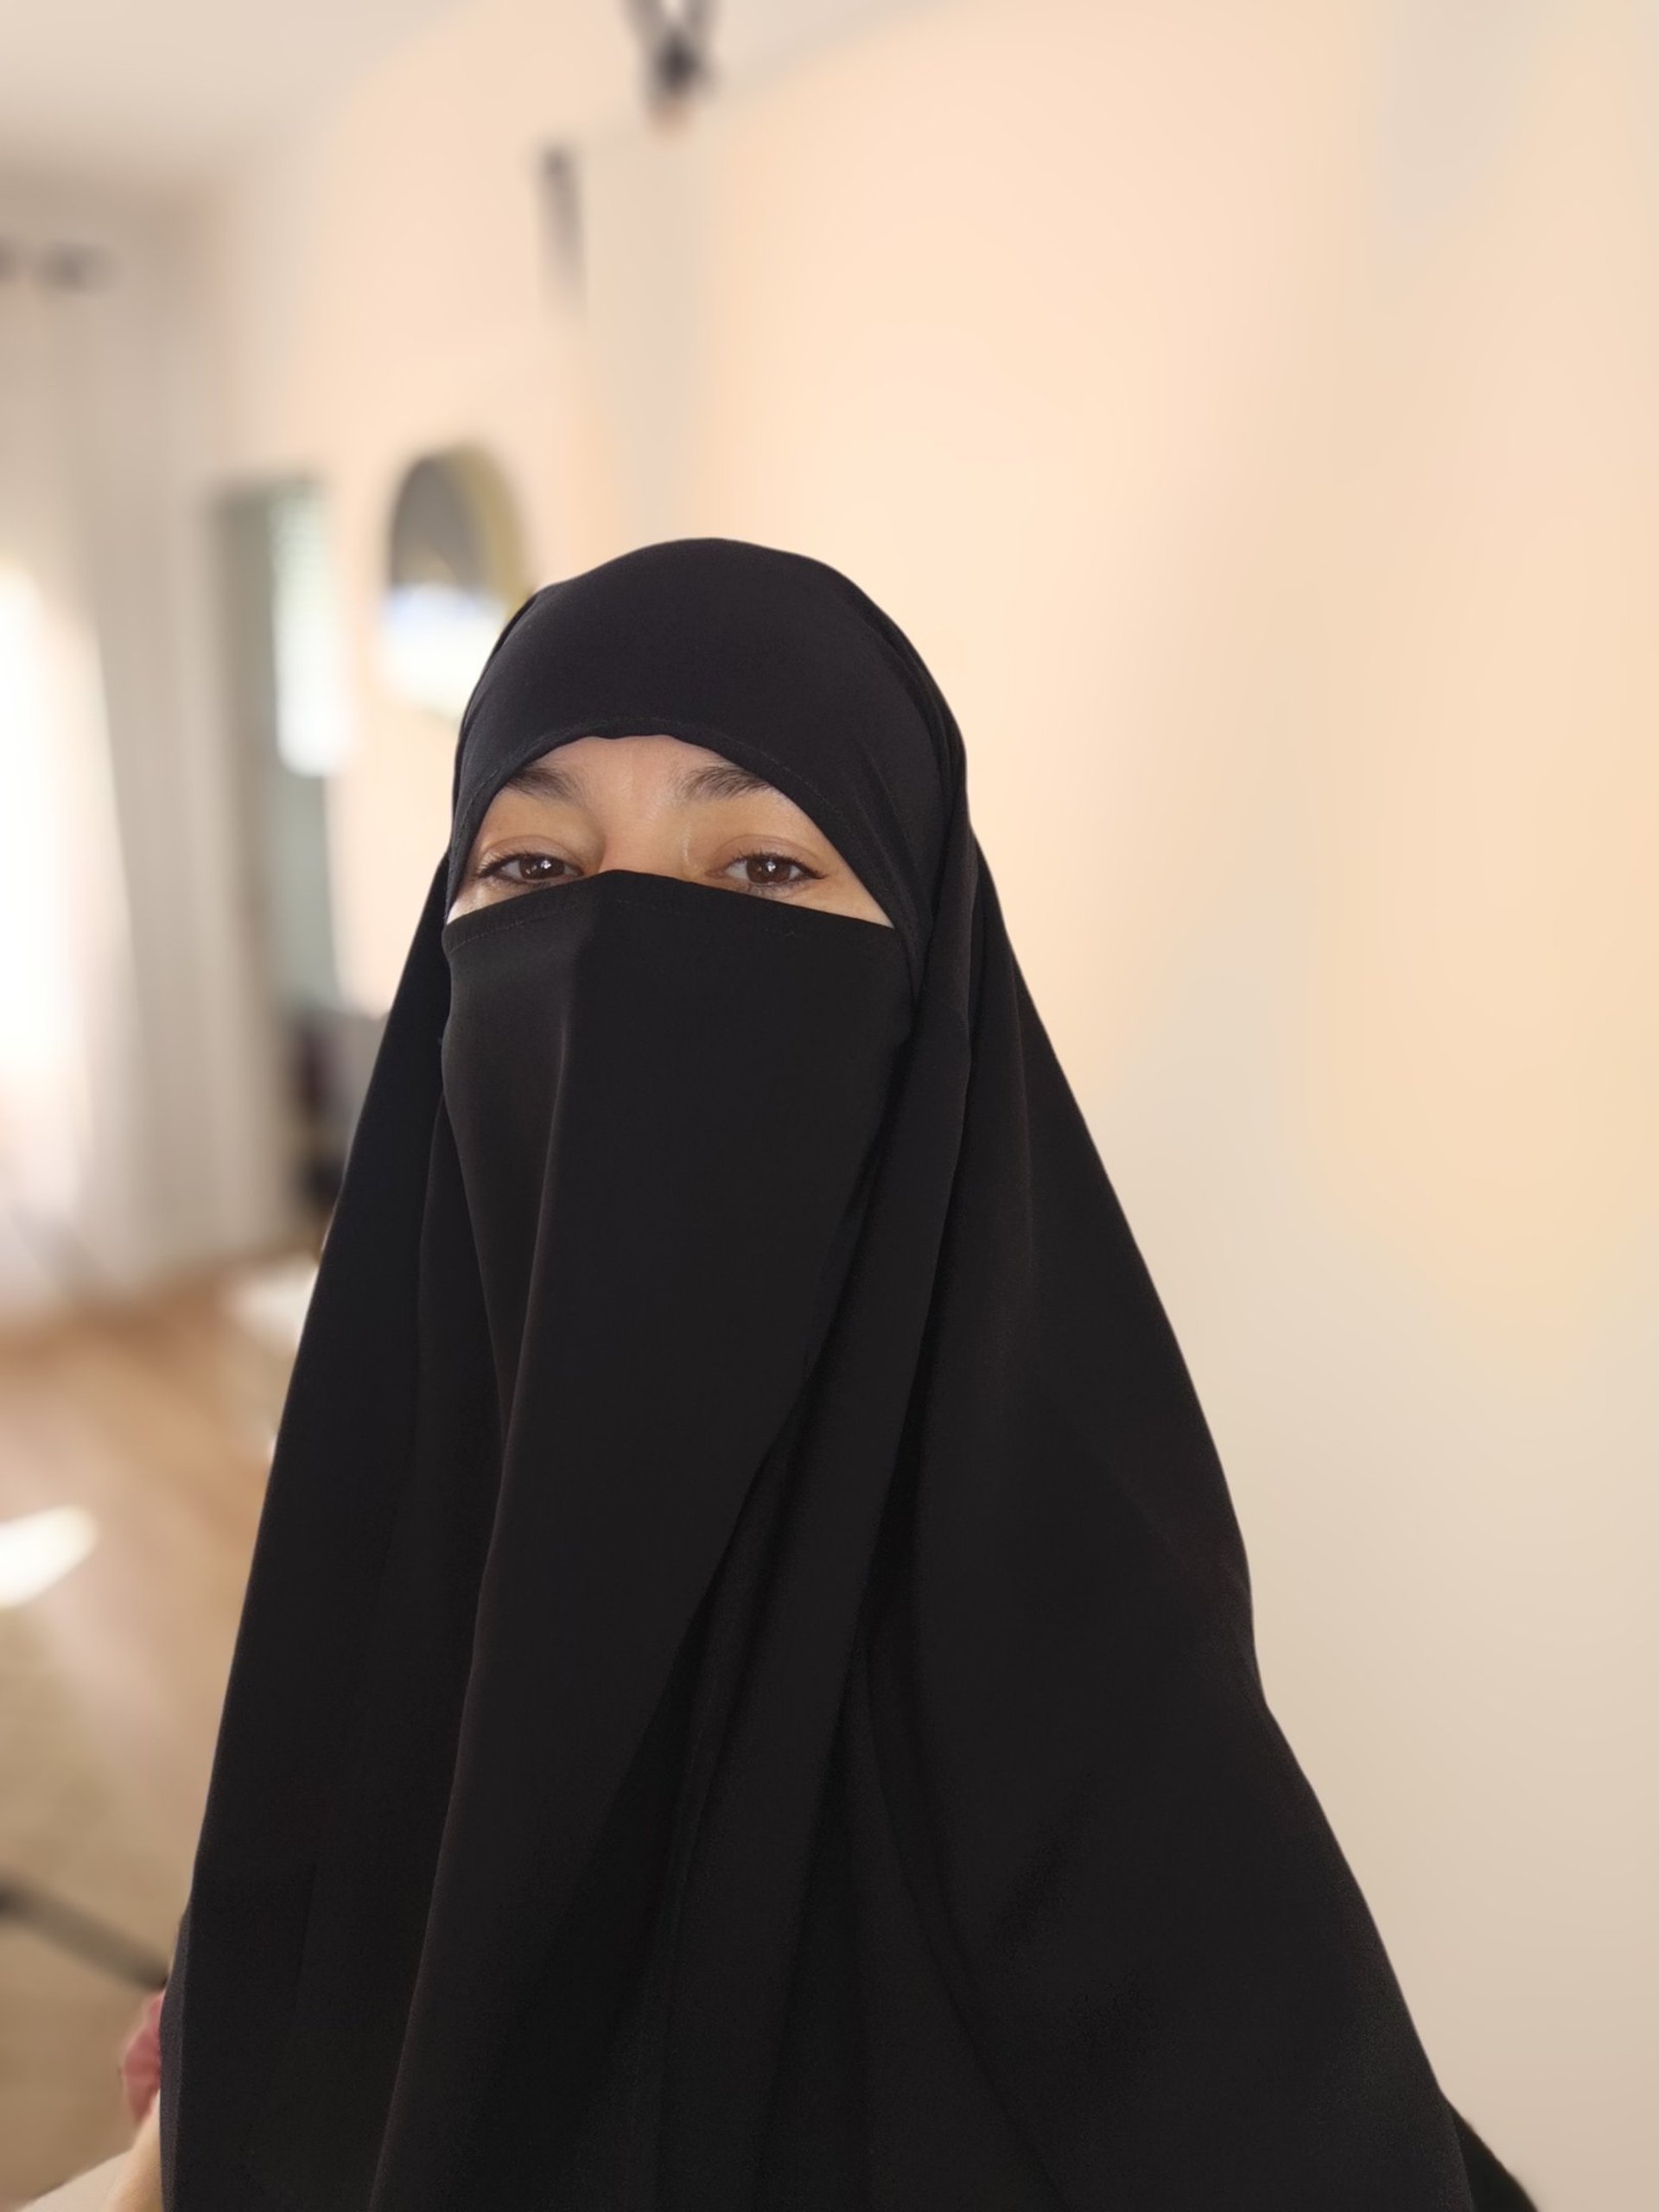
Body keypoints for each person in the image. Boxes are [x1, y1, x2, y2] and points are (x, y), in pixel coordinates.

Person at [135, 538, 1533, 2209]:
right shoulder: (384, 1552)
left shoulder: (1079, 1637)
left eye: (760, 870)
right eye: (534, 867)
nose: (624, 953)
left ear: (924, 986)